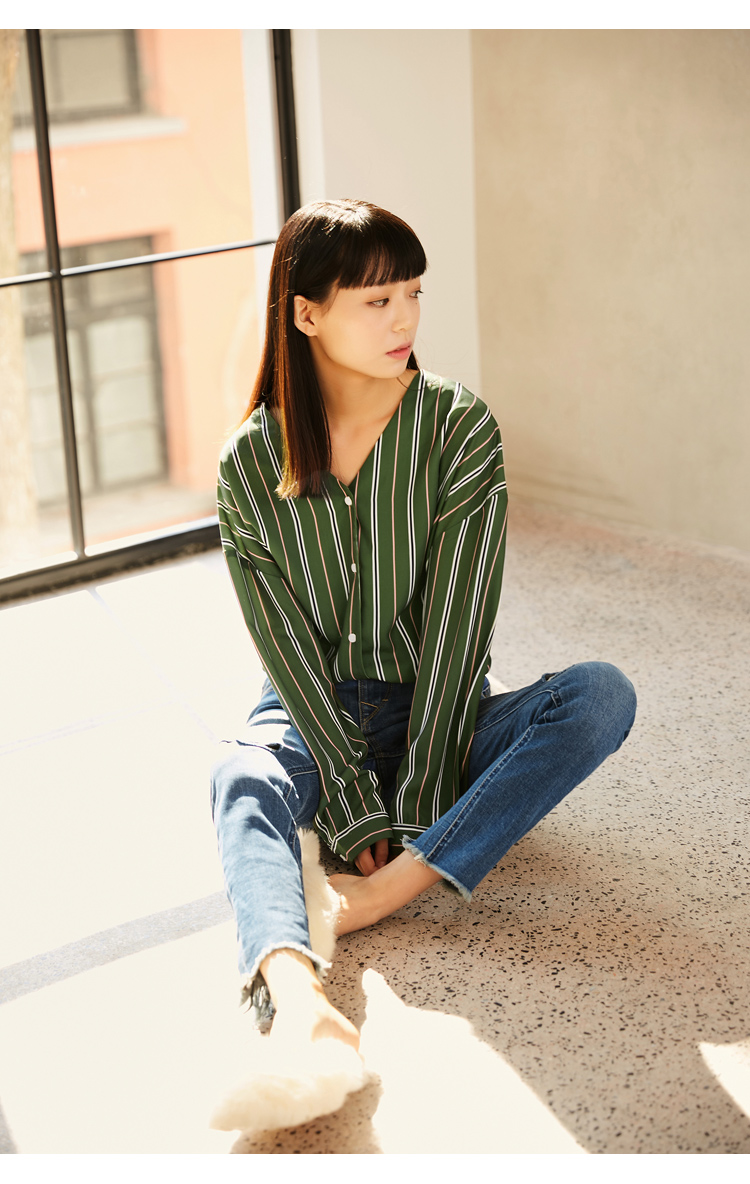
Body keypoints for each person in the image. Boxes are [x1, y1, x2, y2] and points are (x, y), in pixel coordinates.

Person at [210, 198, 637, 1132]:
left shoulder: (458, 428)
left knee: (601, 696)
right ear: (307, 313)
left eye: (412, 293)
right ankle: (299, 1002)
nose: (403, 318)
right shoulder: (249, 465)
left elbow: (458, 629)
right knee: (241, 774)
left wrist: (411, 808)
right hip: (313, 711)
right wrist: (351, 795)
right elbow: (284, 648)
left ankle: (384, 892)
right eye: (376, 300)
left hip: (437, 705)